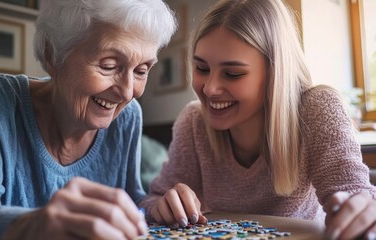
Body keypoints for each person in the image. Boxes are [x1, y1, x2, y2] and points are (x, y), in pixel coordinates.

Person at [139, 0, 376, 239]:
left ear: (276, 74)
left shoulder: (318, 108)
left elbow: (355, 194)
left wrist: (361, 209)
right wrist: (163, 206)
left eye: (233, 74)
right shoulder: (193, 121)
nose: (210, 89)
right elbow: (153, 199)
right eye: (202, 68)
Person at [0, 0, 177, 239]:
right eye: (109, 66)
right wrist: (33, 225)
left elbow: (131, 196)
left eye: (141, 70)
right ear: (53, 54)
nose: (128, 92)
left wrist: (154, 205)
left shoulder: (128, 115)